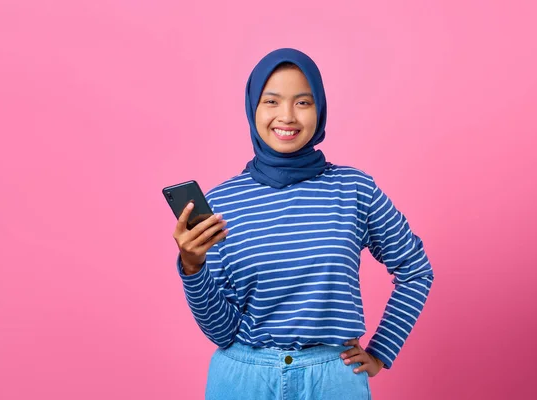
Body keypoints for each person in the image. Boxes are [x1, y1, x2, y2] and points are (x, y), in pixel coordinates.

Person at [172, 48, 434, 399]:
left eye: (303, 102)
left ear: (320, 109)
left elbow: (415, 269)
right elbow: (222, 332)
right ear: (253, 108)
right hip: (243, 381)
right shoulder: (222, 203)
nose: (287, 116)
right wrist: (193, 267)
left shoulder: (353, 189)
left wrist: (381, 352)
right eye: (272, 101)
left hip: (332, 381)